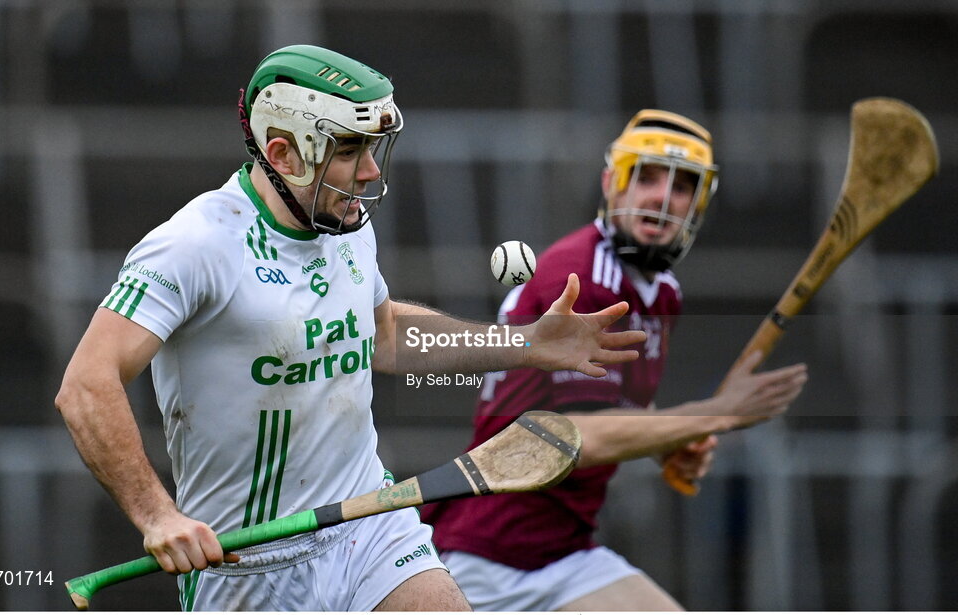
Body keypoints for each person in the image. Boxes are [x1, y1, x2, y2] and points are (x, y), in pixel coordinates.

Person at [54, 44, 646, 612]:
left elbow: (382, 334)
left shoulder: (346, 223)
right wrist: (157, 516)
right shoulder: (194, 246)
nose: (367, 172)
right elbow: (86, 384)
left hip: (368, 528)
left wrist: (520, 343)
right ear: (283, 154)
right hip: (242, 566)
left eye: (373, 149)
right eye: (347, 150)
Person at [421, 110, 809, 611]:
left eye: (682, 186)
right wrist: (715, 414)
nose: (662, 197)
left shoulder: (662, 293)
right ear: (611, 183)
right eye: (645, 177)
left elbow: (617, 408)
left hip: (563, 553)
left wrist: (667, 444)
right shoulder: (582, 276)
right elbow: (573, 436)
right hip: (490, 550)